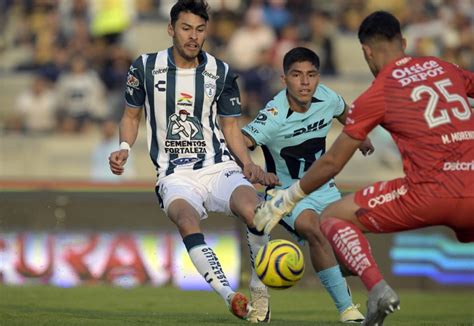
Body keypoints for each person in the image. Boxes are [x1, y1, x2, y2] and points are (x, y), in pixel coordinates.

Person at [253, 11, 474, 326]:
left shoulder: (378, 92)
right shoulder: (444, 68)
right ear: (404, 42)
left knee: (331, 218)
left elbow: (332, 162)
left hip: (430, 192)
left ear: (366, 52)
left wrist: (288, 197)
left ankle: (378, 291)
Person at [108, 0, 274, 322]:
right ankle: (230, 296)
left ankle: (259, 285)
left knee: (255, 210)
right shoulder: (144, 66)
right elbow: (131, 115)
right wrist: (125, 147)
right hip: (174, 174)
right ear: (171, 29)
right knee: (186, 219)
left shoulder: (221, 71)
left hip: (218, 166)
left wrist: (248, 163)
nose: (193, 36)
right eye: (186, 28)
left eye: (199, 29)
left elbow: (230, 126)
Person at [242, 47, 371, 323]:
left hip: (324, 188)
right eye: (297, 75)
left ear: (318, 78)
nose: (305, 82)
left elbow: (345, 112)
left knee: (353, 253)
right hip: (286, 194)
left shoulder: (327, 97)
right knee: (314, 230)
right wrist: (251, 167)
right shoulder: (274, 115)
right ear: (283, 79)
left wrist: (360, 137)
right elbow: (242, 141)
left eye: (311, 75)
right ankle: (347, 310)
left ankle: (337, 273)